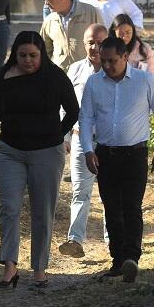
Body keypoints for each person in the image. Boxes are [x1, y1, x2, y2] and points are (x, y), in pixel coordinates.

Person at [0, 31, 79, 289]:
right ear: (14, 55)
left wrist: (56, 135)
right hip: (10, 151)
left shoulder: (55, 77)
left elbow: (73, 110)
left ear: (42, 55)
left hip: (46, 153)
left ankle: (39, 269)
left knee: (42, 212)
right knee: (10, 208)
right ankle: (9, 267)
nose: (28, 60)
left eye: (33, 56)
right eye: (22, 55)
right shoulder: (4, 77)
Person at [79, 37, 154, 282]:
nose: (107, 65)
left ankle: (132, 258)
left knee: (131, 207)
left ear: (125, 57)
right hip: (105, 154)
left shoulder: (145, 81)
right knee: (111, 208)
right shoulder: (94, 83)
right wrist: (88, 150)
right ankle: (117, 260)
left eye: (112, 61)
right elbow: (86, 119)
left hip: (135, 154)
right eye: (103, 60)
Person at [58, 24, 109, 258]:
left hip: (109, 142)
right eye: (90, 42)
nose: (95, 47)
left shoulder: (116, 71)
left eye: (100, 42)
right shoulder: (75, 70)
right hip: (80, 139)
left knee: (110, 192)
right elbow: (65, 107)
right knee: (80, 192)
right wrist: (65, 136)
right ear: (84, 43)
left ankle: (113, 240)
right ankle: (75, 240)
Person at [38, 0, 101, 71]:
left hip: (87, 74)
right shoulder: (49, 20)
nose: (46, 3)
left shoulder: (90, 12)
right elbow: (44, 51)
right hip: (59, 76)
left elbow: (105, 42)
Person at [110, 14, 154, 78]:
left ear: (133, 31)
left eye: (128, 32)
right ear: (114, 32)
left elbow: (152, 75)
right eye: (121, 33)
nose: (124, 37)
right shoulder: (107, 49)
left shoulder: (145, 49)